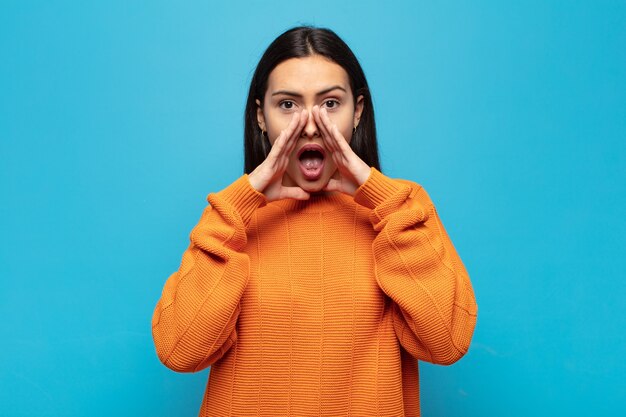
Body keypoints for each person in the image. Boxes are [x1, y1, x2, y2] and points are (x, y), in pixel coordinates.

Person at [151, 25, 478, 417]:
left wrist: (383, 199)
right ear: (261, 116)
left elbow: (446, 342)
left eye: (329, 104)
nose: (309, 124)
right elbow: (179, 350)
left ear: (357, 111)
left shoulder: (402, 211)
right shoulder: (230, 221)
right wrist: (237, 207)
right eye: (288, 104)